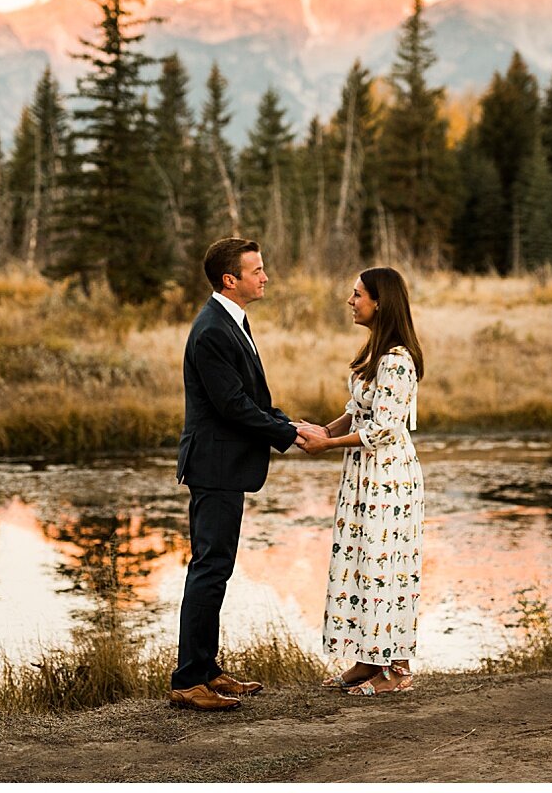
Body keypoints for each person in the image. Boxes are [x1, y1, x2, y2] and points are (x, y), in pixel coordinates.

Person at [169, 237, 327, 711]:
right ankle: (188, 680)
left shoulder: (232, 321)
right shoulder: (213, 329)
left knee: (215, 568)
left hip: (224, 465)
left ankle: (208, 670)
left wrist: (289, 422)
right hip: (214, 465)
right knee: (209, 569)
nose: (265, 277)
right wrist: (289, 433)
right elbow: (232, 406)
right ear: (229, 280)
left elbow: (249, 398)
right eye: (256, 270)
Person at [295, 266, 424, 696]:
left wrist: (328, 447)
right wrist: (324, 431)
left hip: (387, 476)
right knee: (364, 562)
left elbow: (383, 428)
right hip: (363, 475)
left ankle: (398, 668)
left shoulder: (398, 360)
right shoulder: (375, 353)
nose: (351, 301)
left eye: (357, 295)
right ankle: (369, 659)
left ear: (379, 302)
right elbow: (357, 411)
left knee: (387, 564)